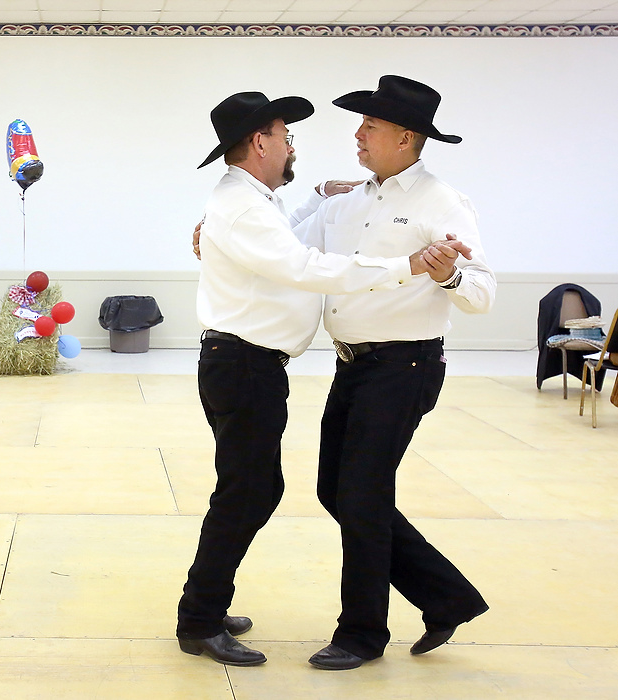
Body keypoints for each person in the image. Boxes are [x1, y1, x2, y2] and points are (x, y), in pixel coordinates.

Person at [177, 90, 470, 667]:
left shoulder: (252, 202)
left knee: (312, 492)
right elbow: (304, 265)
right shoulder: (241, 207)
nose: (292, 146)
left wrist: (317, 197)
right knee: (254, 492)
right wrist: (404, 265)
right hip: (246, 366)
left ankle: (428, 604)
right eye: (286, 136)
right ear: (260, 142)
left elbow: (291, 239)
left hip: (302, 366)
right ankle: (200, 617)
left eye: (369, 126)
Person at [294, 75, 495, 670]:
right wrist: (220, 239)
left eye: (370, 126)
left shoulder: (441, 201)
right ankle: (447, 597)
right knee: (338, 490)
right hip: (352, 365)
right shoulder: (349, 201)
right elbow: (288, 251)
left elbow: (481, 293)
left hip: (404, 366)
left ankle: (361, 633)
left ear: (406, 138)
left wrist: (448, 276)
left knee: (361, 494)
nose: (358, 134)